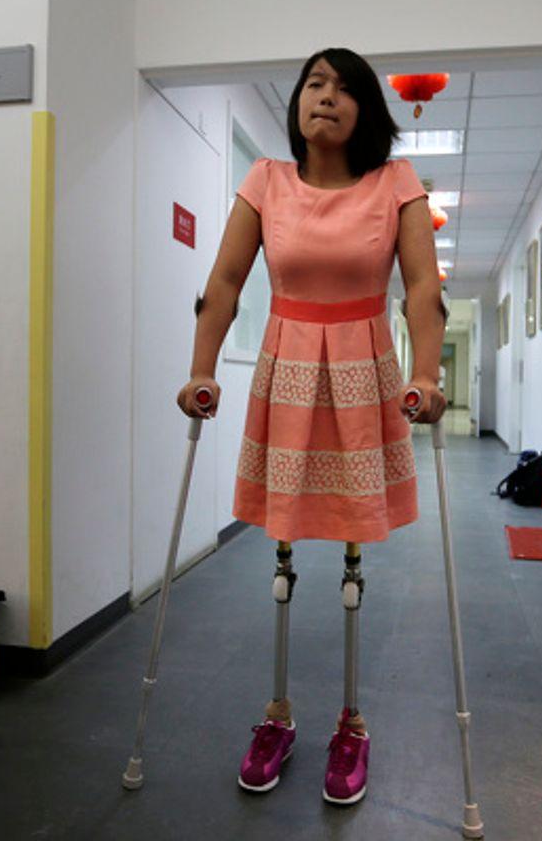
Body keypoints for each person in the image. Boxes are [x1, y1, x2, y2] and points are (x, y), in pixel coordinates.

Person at [175, 47, 447, 806]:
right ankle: (277, 715)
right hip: (288, 370)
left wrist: (427, 375)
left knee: (354, 555)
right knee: (283, 552)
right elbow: (225, 280)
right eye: (314, 84)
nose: (325, 97)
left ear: (367, 109)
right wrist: (200, 370)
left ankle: (352, 723)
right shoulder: (265, 181)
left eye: (344, 87)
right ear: (297, 102)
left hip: (363, 372)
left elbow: (421, 288)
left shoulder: (396, 183)